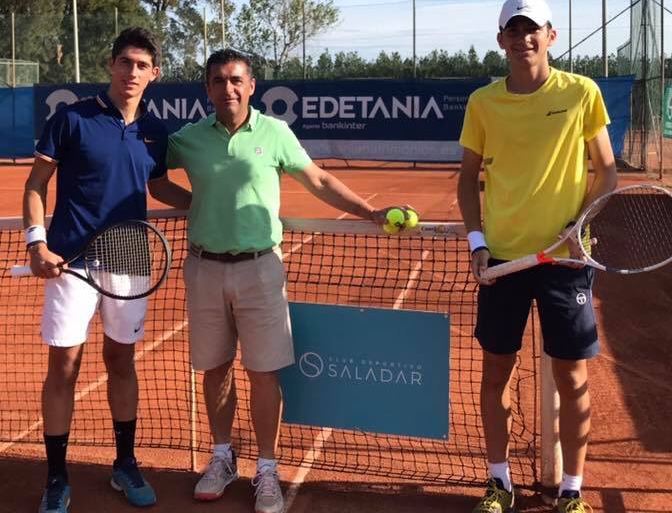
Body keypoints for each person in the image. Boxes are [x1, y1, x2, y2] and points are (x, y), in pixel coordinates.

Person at [166, 48, 407, 513]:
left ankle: (267, 468)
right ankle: (221, 457)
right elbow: (155, 180)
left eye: (236, 80)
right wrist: (194, 206)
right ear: (207, 89)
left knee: (263, 372)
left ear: (251, 86)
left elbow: (316, 179)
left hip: (260, 268)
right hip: (204, 268)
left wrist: (370, 212)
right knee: (215, 369)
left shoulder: (275, 133)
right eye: (218, 81)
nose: (228, 88)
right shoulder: (188, 138)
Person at [457, 0, 617, 513]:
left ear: (550, 36)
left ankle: (571, 488)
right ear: (501, 40)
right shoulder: (483, 103)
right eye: (514, 30)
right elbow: (466, 180)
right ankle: (498, 482)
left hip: (565, 263)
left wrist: (579, 226)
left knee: (572, 378)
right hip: (503, 262)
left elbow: (606, 172)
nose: (524, 38)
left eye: (535, 30)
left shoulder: (582, 93)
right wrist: (478, 244)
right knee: (495, 374)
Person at [23, 27, 191, 513]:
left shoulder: (155, 132)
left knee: (121, 361)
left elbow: (158, 189)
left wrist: (206, 205)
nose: (132, 72)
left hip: (129, 258)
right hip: (71, 260)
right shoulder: (71, 119)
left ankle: (125, 463)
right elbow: (35, 186)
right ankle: (57, 478)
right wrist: (37, 244)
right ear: (110, 65)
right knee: (65, 366)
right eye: (125, 62)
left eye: (142, 65)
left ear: (154, 74)